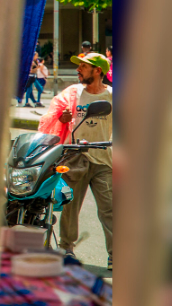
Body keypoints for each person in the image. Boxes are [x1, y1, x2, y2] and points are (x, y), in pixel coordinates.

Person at [38, 52, 113, 270]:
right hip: (75, 157)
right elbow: (52, 117)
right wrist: (61, 118)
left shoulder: (112, 96)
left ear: (97, 70)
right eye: (78, 66)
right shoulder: (72, 94)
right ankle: (66, 248)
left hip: (103, 159)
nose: (78, 70)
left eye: (83, 66)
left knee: (109, 209)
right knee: (69, 207)